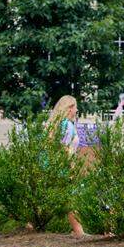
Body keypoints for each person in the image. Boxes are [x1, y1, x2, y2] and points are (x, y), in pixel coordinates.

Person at [50, 95, 85, 237]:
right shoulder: (67, 125)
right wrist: (71, 167)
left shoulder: (60, 124)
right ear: (69, 108)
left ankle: (77, 230)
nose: (77, 110)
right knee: (72, 198)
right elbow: (64, 148)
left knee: (62, 198)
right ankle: (78, 231)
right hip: (63, 167)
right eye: (75, 107)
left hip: (57, 166)